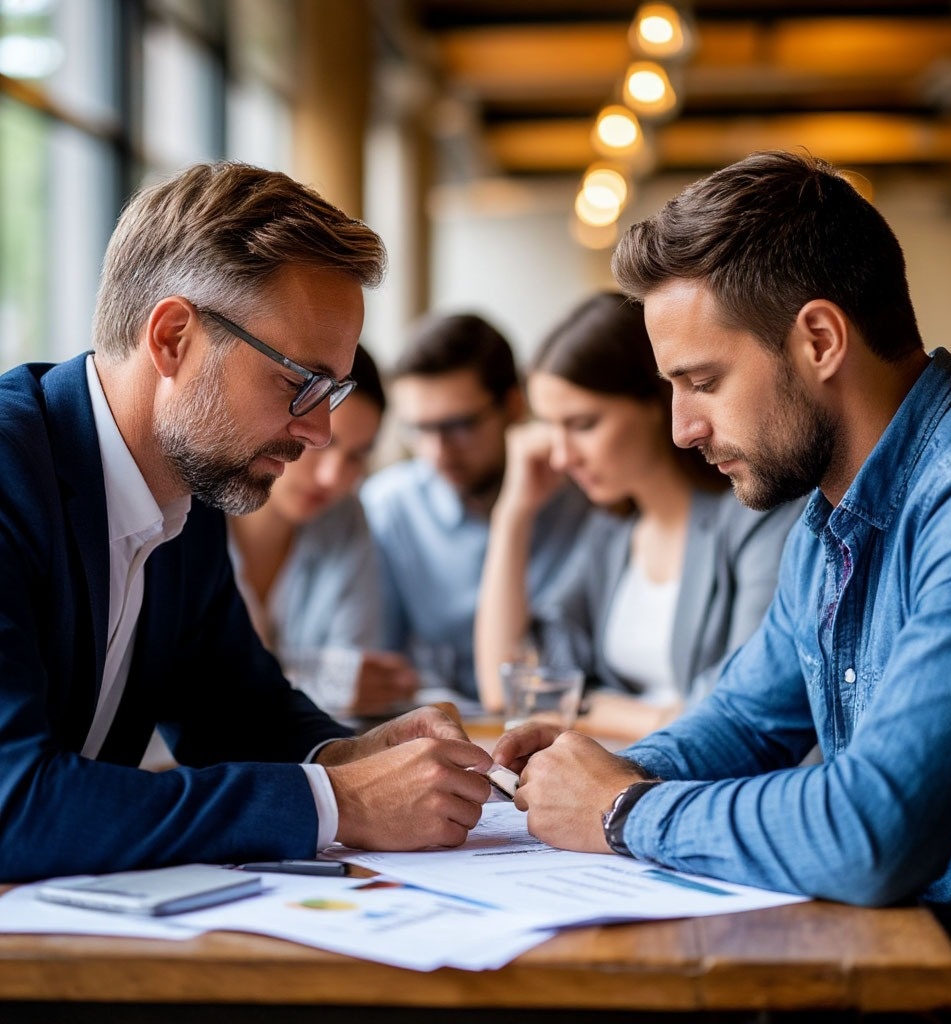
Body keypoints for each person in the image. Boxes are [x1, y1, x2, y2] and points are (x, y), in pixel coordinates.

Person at [493, 151, 951, 992]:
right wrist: (572, 775)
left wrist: (620, 810)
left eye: (701, 382)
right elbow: (741, 725)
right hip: (894, 969)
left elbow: (871, 831)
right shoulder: (827, 518)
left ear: (819, 339)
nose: (681, 429)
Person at [0, 161, 494, 883]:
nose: (321, 431)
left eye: (335, 387)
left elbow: (234, 709)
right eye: (300, 383)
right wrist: (339, 802)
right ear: (172, 338)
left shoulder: (185, 483)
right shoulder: (12, 474)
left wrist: (354, 757)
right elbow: (13, 806)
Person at [474, 291, 803, 739]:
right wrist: (512, 515)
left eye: (583, 424)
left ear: (656, 402)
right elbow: (506, 686)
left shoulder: (756, 516)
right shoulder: (611, 535)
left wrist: (582, 709)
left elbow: (738, 710)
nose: (559, 456)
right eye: (549, 426)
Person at [360, 312, 591, 699]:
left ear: (514, 405)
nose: (436, 451)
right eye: (418, 429)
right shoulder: (389, 508)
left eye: (459, 425)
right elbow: (381, 669)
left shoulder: (586, 501)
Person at [229, 342, 418, 718]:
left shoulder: (346, 517)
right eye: (318, 445)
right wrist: (324, 678)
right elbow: (193, 685)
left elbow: (359, 677)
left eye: (356, 456)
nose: (333, 477)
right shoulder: (187, 515)